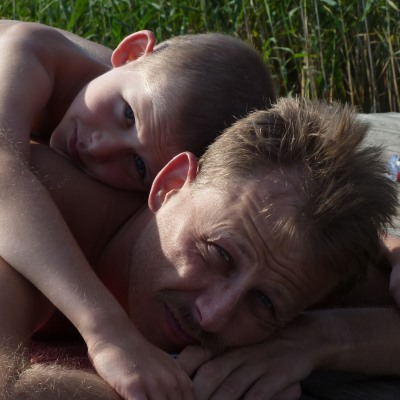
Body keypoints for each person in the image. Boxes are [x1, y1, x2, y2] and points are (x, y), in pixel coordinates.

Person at [1, 97, 399, 400]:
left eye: (263, 303)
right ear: (170, 185)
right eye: (218, 254)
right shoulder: (40, 229)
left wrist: (313, 341)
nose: (212, 316)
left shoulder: (293, 262)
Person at [0, 20, 275, 399]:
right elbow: (3, 171)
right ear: (130, 52)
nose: (99, 147)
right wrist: (109, 331)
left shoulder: (137, 85)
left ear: (166, 182)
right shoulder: (27, 51)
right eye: (128, 115)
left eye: (139, 165)